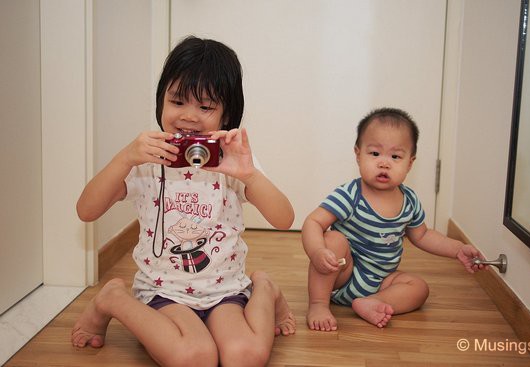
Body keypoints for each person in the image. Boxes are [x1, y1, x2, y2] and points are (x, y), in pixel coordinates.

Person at [72, 36, 296, 367]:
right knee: (194, 357)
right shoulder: (147, 159)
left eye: (205, 107)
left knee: (245, 356)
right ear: (160, 100)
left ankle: (265, 288)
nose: (189, 116)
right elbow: (86, 210)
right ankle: (113, 298)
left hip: (224, 290)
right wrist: (125, 158)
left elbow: (284, 219)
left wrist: (249, 175)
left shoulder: (232, 162)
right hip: (164, 292)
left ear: (227, 115)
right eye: (177, 101)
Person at [302, 107, 485, 331]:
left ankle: (374, 303)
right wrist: (317, 251)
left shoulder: (409, 201)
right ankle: (319, 304)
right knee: (333, 240)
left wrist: (457, 249)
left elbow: (424, 235)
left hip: (382, 281)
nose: (384, 163)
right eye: (375, 154)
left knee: (418, 288)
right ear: (358, 155)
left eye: (395, 156)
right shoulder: (350, 194)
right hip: (342, 275)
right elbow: (313, 222)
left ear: (410, 163)